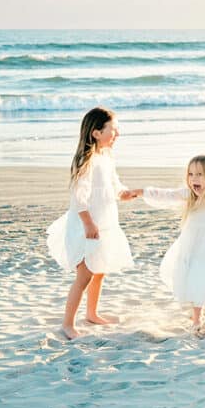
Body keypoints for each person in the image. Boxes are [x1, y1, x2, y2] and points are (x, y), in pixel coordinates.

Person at [47, 107, 138, 340]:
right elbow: (79, 197)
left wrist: (124, 193)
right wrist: (88, 223)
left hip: (104, 222)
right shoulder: (86, 160)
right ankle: (67, 324)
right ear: (96, 133)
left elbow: (114, 184)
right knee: (85, 275)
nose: (117, 134)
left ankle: (92, 313)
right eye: (113, 129)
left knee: (99, 270)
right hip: (86, 225)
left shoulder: (106, 157)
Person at [131, 153, 205, 331]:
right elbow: (165, 195)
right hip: (190, 247)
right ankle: (197, 315)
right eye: (191, 174)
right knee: (194, 277)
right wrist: (142, 192)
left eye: (200, 174)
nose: (194, 179)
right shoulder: (188, 195)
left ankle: (198, 312)